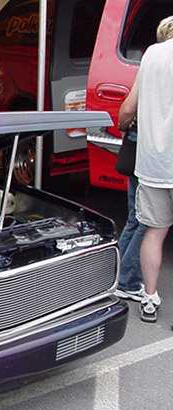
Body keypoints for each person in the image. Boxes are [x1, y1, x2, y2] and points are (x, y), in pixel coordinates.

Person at [118, 16, 173, 322]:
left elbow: (128, 108)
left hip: (153, 164)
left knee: (152, 230)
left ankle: (149, 298)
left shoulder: (151, 54)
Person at [114, 117, 146, 302]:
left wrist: (125, 127)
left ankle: (116, 274)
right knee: (147, 221)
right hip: (152, 153)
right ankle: (128, 281)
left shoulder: (144, 93)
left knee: (135, 218)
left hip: (136, 142)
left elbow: (126, 111)